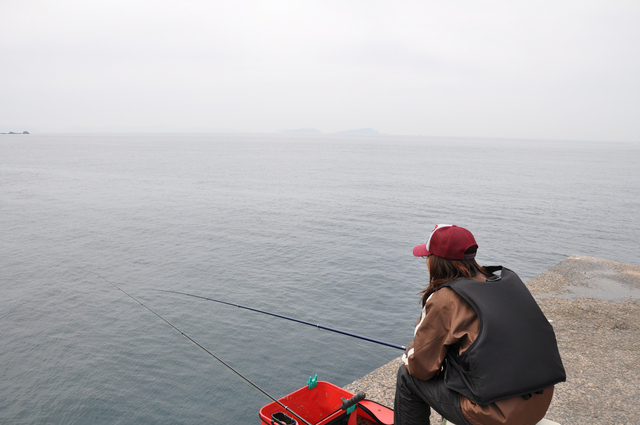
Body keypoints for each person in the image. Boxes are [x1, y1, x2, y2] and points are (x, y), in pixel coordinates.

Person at [394, 224, 565, 425]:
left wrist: (411, 351)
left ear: (436, 261)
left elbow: (421, 368)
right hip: (538, 402)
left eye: (427, 257)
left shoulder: (446, 298)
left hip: (498, 415)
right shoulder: (501, 283)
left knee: (407, 376)